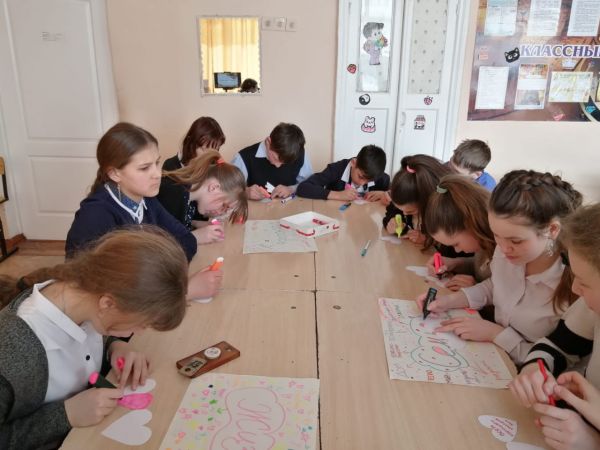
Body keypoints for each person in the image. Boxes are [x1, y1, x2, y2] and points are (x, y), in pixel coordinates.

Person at [0, 228, 188, 449]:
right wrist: (65, 415)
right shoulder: (14, 353)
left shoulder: (83, 294)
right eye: (141, 323)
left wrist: (116, 347)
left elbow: (83, 336)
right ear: (107, 304)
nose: (139, 332)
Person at [420, 170, 582, 364]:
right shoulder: (507, 253)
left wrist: (496, 334)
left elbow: (561, 361)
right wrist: (447, 301)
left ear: (552, 230)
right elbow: (495, 286)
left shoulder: (576, 284)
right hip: (492, 358)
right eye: (496, 235)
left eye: (516, 240)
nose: (503, 249)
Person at [66, 122, 222, 298]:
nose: (157, 174)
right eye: (144, 168)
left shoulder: (147, 200)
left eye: (157, 163)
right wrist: (183, 292)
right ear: (114, 173)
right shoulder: (95, 216)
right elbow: (101, 294)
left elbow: (186, 240)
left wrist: (165, 279)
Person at [509, 204, 600, 450]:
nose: (575, 290)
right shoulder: (592, 308)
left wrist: (593, 443)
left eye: (584, 283)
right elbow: (557, 345)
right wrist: (533, 369)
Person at [422, 174, 495, 290]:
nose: (457, 250)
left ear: (472, 224)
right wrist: (456, 263)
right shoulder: (483, 242)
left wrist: (476, 290)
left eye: (456, 244)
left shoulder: (506, 249)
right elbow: (481, 266)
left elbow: (511, 298)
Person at [382, 154, 460, 257]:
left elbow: (456, 251)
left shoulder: (446, 213)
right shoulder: (406, 195)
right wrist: (394, 224)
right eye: (400, 208)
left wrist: (430, 240)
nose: (404, 213)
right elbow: (391, 213)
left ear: (427, 202)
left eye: (410, 212)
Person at [157, 117, 225, 228]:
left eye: (215, 150)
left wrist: (208, 216)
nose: (209, 156)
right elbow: (170, 226)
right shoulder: (171, 170)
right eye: (205, 149)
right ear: (191, 143)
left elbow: (196, 216)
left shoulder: (209, 166)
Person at [163, 150, 248, 234]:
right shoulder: (173, 195)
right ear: (213, 187)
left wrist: (198, 224)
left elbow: (181, 222)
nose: (220, 212)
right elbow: (167, 238)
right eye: (223, 205)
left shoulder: (192, 197)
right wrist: (197, 236)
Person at [231, 122, 313, 200]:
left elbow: (311, 183)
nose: (278, 166)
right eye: (276, 158)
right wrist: (246, 192)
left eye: (285, 162)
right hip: (257, 209)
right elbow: (227, 190)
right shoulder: (244, 157)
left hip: (292, 207)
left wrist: (291, 189)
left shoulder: (298, 153)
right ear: (268, 142)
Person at [296, 145, 389, 201]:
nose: (362, 183)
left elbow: (394, 196)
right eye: (360, 177)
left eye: (368, 181)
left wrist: (384, 194)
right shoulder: (336, 169)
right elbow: (303, 188)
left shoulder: (380, 177)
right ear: (353, 163)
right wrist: (338, 195)